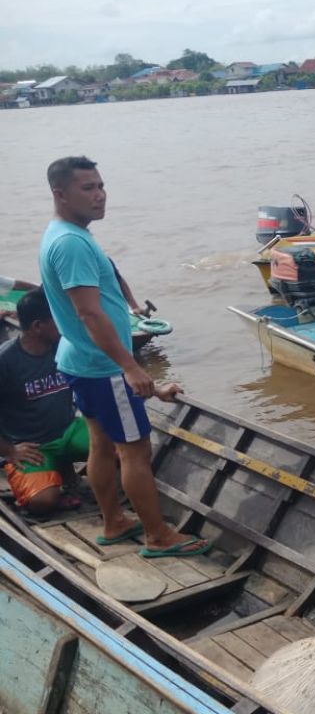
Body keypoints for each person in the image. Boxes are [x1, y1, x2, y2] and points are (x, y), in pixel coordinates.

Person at [38, 155, 207, 558]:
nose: (100, 196)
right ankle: (158, 536)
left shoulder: (64, 233)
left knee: (100, 442)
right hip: (103, 365)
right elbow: (89, 312)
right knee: (134, 451)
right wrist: (130, 367)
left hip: (79, 359)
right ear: (60, 194)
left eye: (101, 186)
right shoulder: (70, 243)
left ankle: (114, 522)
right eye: (88, 189)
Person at [0, 290, 88, 515]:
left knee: (123, 449)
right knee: (43, 502)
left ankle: (64, 468)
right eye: (59, 318)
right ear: (38, 326)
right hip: (32, 446)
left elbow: (106, 368)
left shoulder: (65, 346)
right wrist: (9, 450)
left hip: (68, 430)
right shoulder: (5, 361)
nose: (67, 322)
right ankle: (54, 474)